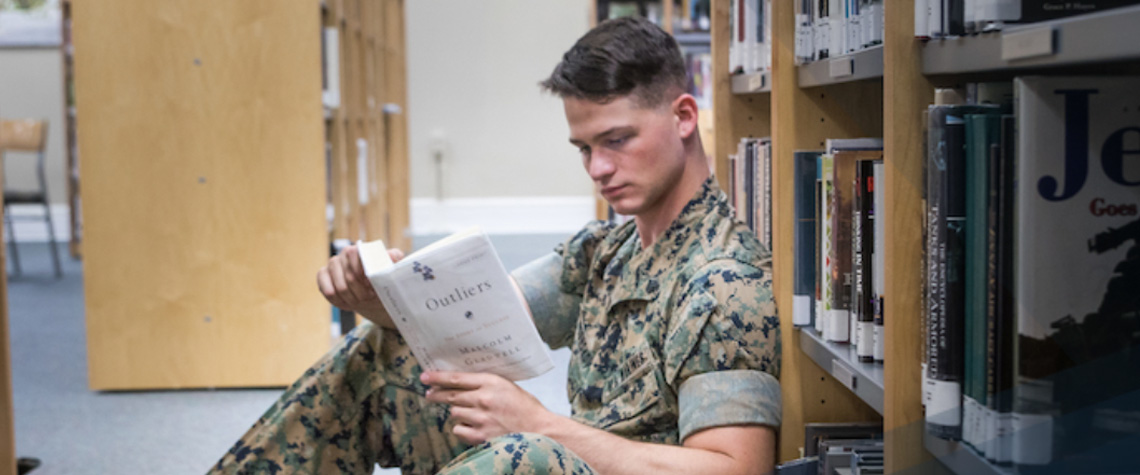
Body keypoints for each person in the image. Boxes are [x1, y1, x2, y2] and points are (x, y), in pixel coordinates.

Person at [210, 16, 781, 475]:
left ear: (684, 117)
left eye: (617, 140)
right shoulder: (607, 250)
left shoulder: (724, 282)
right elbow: (470, 326)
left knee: (526, 454)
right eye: (584, 148)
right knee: (386, 353)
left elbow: (735, 468)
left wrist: (541, 426)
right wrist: (381, 298)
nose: (598, 169)